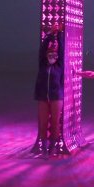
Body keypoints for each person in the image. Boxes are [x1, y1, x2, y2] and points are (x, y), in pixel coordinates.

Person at [33, 26, 64, 156]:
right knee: (43, 123)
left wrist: (59, 35)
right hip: (42, 96)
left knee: (55, 123)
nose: (52, 53)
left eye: (54, 52)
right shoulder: (42, 64)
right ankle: (44, 148)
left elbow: (61, 50)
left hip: (56, 96)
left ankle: (53, 146)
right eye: (49, 51)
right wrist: (50, 35)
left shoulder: (59, 65)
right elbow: (42, 50)